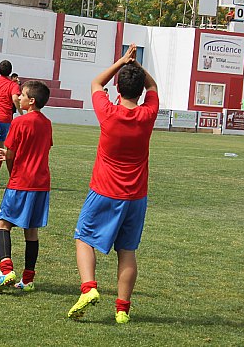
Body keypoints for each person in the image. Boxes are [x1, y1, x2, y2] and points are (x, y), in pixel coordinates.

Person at [67, 44, 159, 324]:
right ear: (141, 91)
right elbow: (153, 86)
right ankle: (122, 310)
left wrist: (122, 62)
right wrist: (137, 68)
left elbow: (96, 82)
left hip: (104, 190)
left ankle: (89, 288)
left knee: (83, 238)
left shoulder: (108, 111)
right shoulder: (148, 114)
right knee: (127, 251)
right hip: (136, 196)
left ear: (117, 88)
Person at [0, 80, 52, 294]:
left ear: (31, 101)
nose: (19, 98)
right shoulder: (46, 123)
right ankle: (28, 279)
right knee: (30, 230)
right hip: (41, 184)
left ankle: (6, 270)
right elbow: (37, 149)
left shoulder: (19, 122)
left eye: (22, 95)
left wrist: (9, 164)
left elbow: (13, 154)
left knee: (3, 224)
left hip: (21, 182)